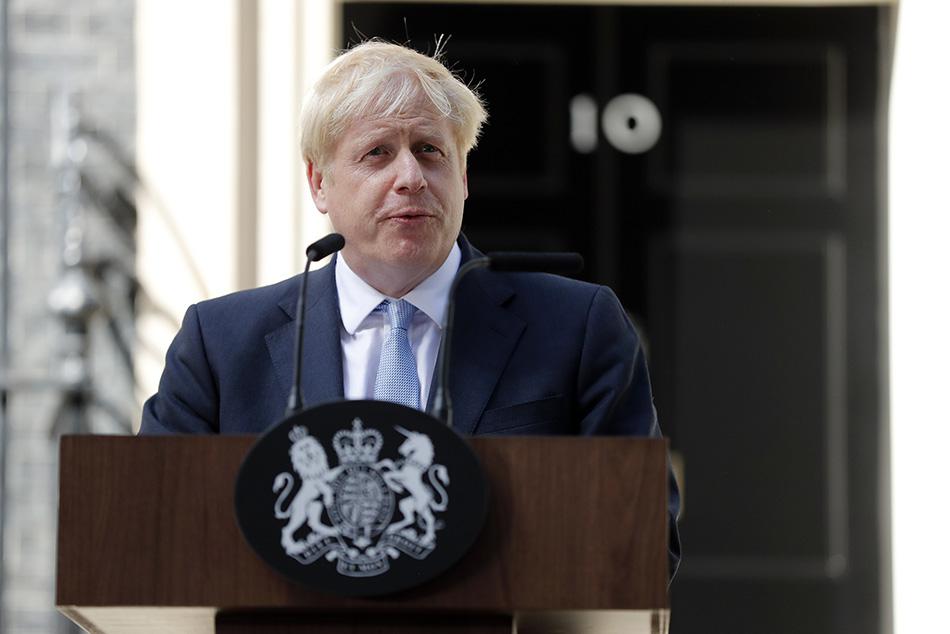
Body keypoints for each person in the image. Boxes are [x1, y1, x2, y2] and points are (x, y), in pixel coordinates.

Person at [138, 40, 680, 576]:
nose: (411, 178)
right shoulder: (220, 344)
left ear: (462, 176)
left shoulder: (576, 327)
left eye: (429, 150)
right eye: (377, 153)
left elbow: (643, 538)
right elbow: (152, 535)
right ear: (319, 183)